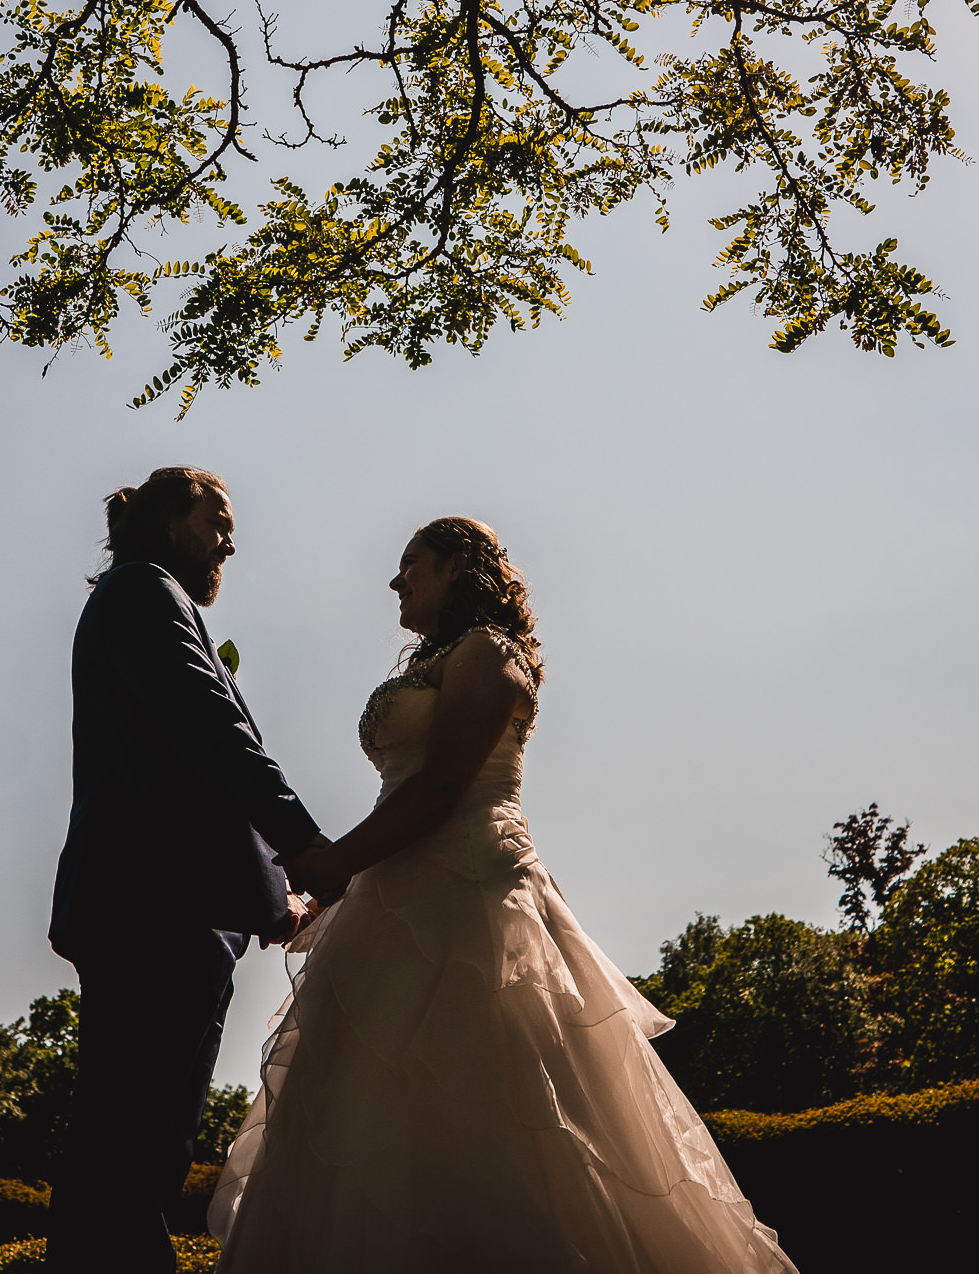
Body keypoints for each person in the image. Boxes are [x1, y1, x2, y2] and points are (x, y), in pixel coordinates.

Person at [208, 517, 799, 1273]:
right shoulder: (442, 659)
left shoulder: (489, 652)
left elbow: (445, 784)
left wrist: (333, 863)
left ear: (458, 565)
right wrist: (346, 882)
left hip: (476, 888)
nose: (397, 580)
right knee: (376, 1113)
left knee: (491, 1092)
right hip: (393, 893)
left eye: (412, 563)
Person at [46, 467, 349, 1274]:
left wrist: (268, 900)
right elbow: (210, 734)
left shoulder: (145, 598)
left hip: (174, 909)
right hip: (152, 910)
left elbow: (186, 775)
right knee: (130, 1141)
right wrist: (304, 846)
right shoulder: (142, 592)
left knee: (149, 1137)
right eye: (216, 516)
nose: (230, 535)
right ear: (168, 519)